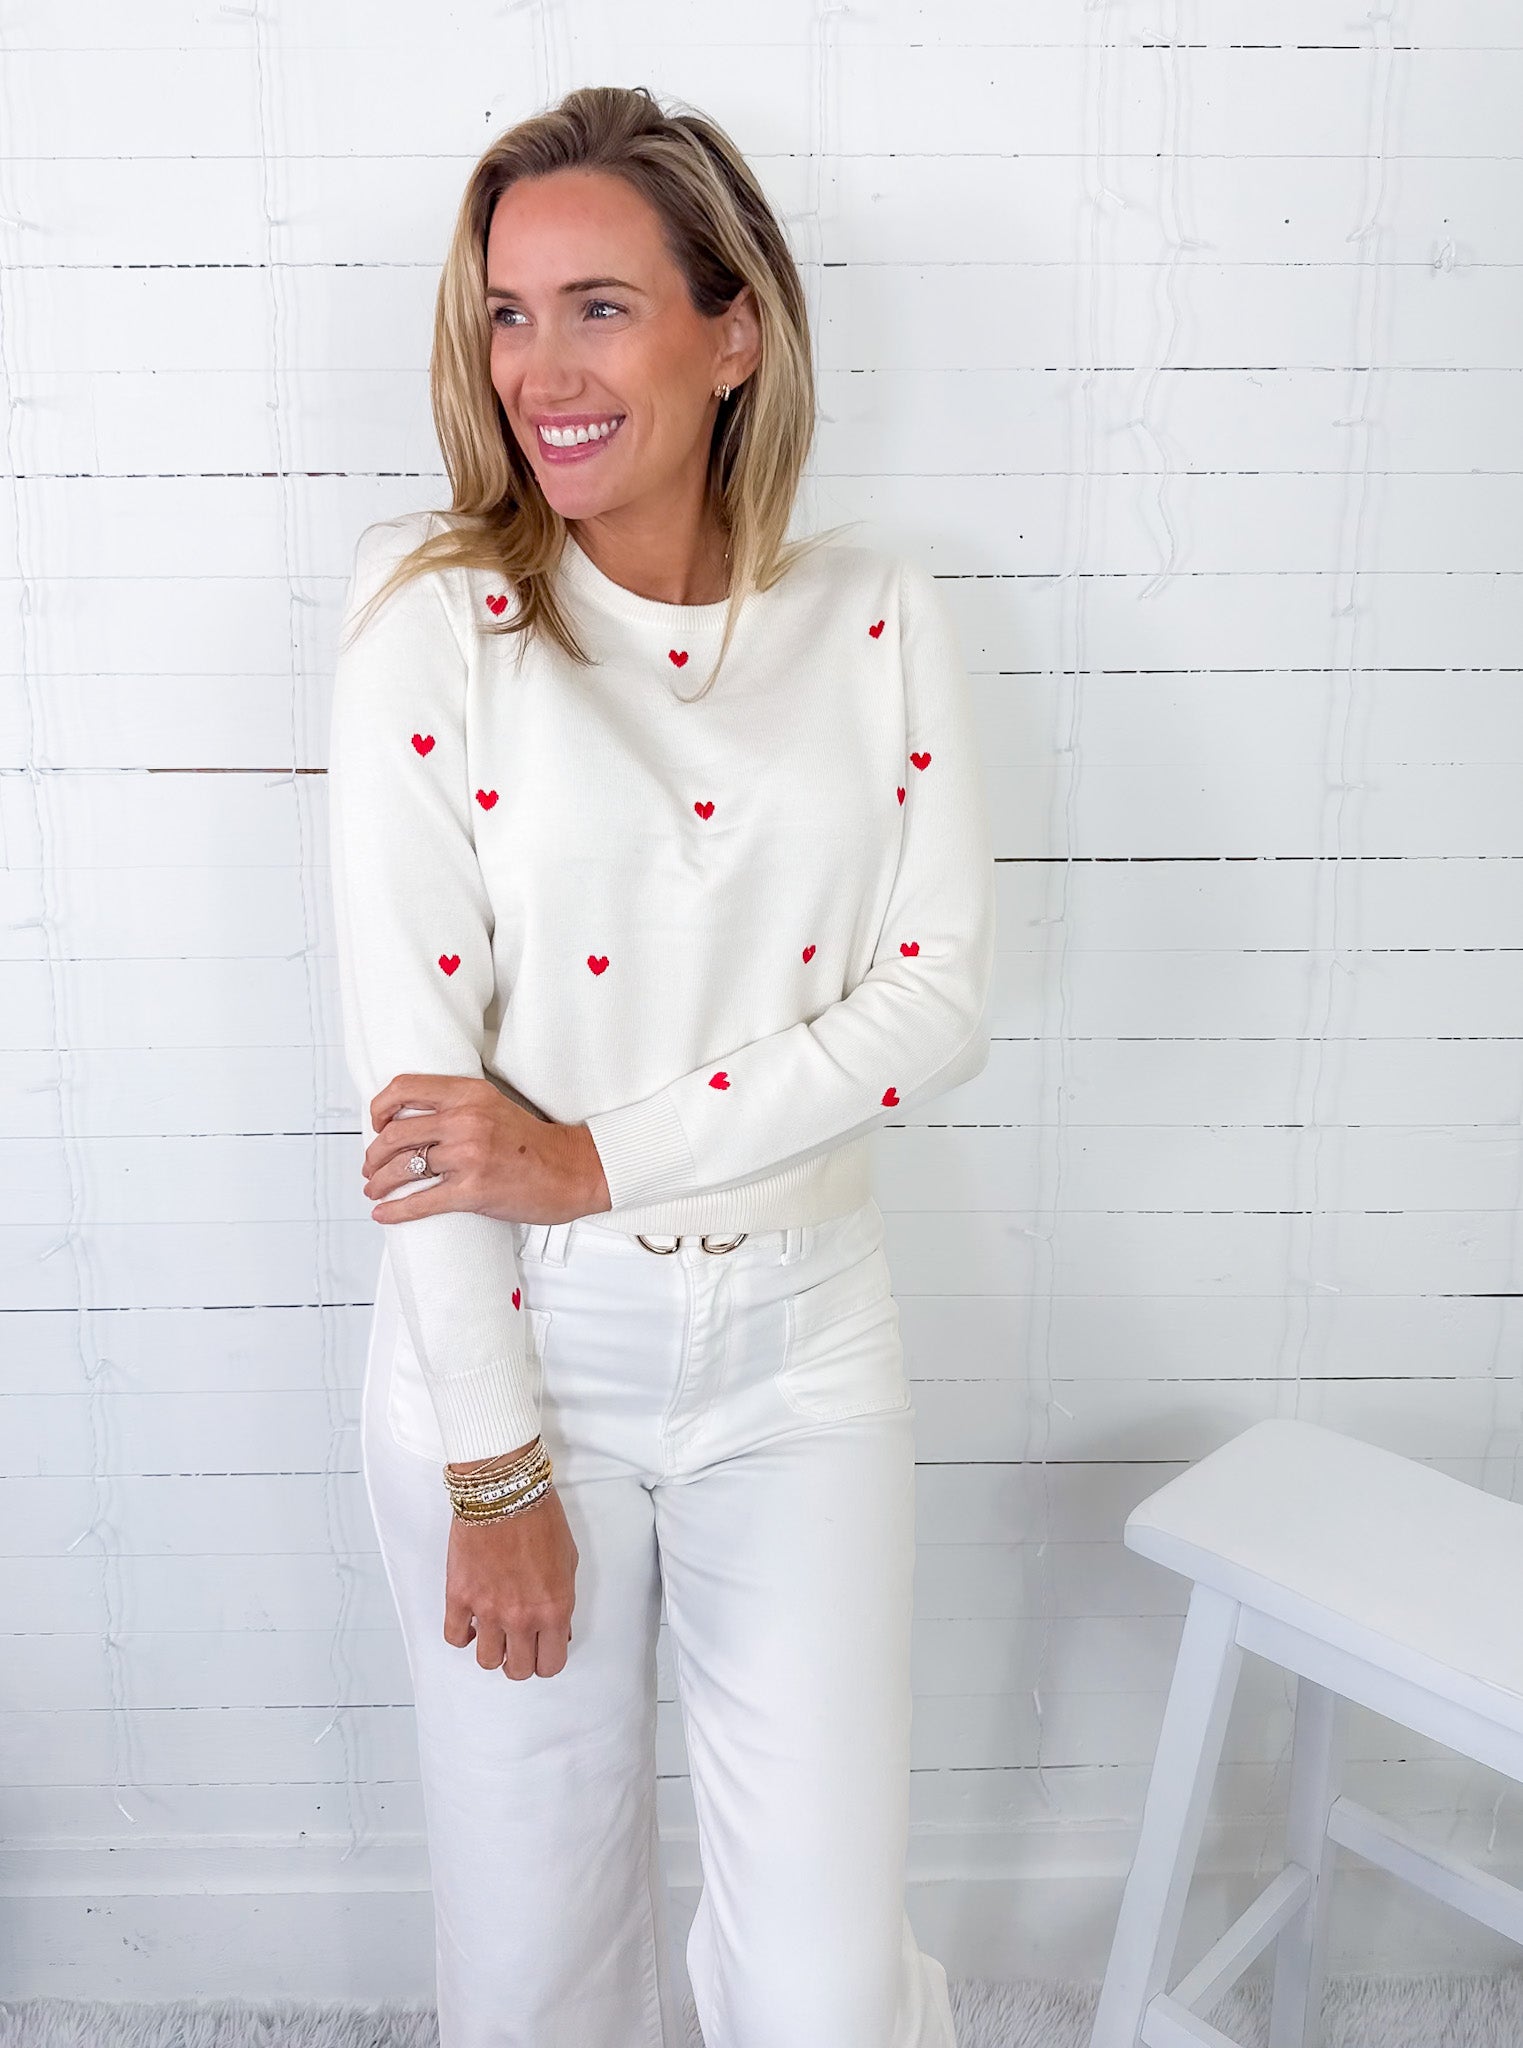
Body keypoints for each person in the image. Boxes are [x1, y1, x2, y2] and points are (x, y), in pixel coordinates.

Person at [326, 82, 995, 2048]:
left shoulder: (876, 614)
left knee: (822, 1988)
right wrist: (496, 1458)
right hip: (524, 1355)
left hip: (809, 1345)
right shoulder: (436, 623)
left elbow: (936, 997)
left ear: (734, 329)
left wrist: (596, 1154)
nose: (545, 367)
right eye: (508, 315)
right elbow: (423, 1108)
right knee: (537, 1970)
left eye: (601, 306)